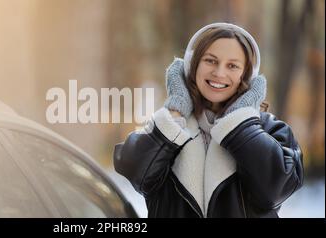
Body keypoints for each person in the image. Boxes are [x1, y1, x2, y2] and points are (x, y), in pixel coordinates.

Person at [113, 22, 304, 218]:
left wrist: (238, 123)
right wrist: (176, 111)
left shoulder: (271, 130)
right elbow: (137, 172)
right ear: (193, 65)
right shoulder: (166, 125)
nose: (219, 73)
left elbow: (275, 189)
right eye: (210, 61)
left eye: (232, 65)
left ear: (246, 74)